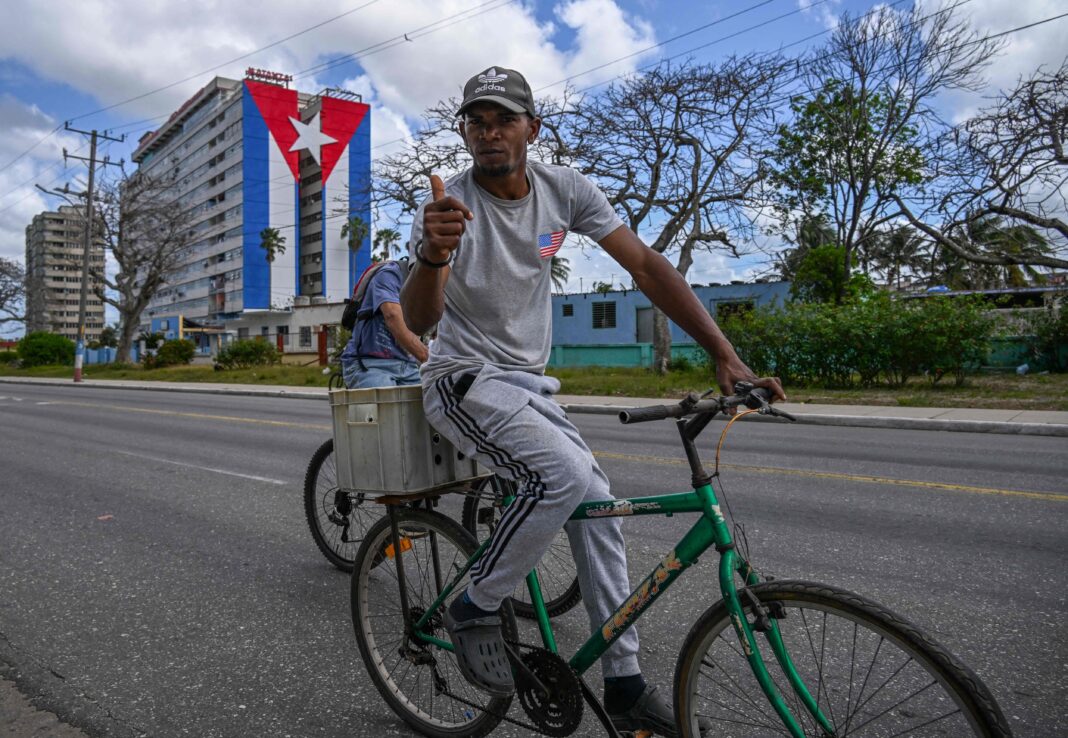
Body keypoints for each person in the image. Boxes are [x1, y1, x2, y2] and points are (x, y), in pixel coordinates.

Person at [399, 65, 785, 737]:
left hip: (530, 388)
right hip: (462, 381)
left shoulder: (563, 191)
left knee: (598, 510)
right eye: (475, 122)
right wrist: (432, 256)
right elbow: (421, 318)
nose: (488, 134)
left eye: (503, 121)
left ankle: (626, 683)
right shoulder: (448, 207)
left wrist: (720, 351)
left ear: (531, 130)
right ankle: (475, 603)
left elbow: (646, 266)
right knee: (564, 476)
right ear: (464, 133)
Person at [339, 259, 428, 388]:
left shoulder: (432, 286)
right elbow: (392, 316)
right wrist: (427, 356)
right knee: (386, 403)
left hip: (407, 365)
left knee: (431, 401)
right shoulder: (391, 274)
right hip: (370, 363)